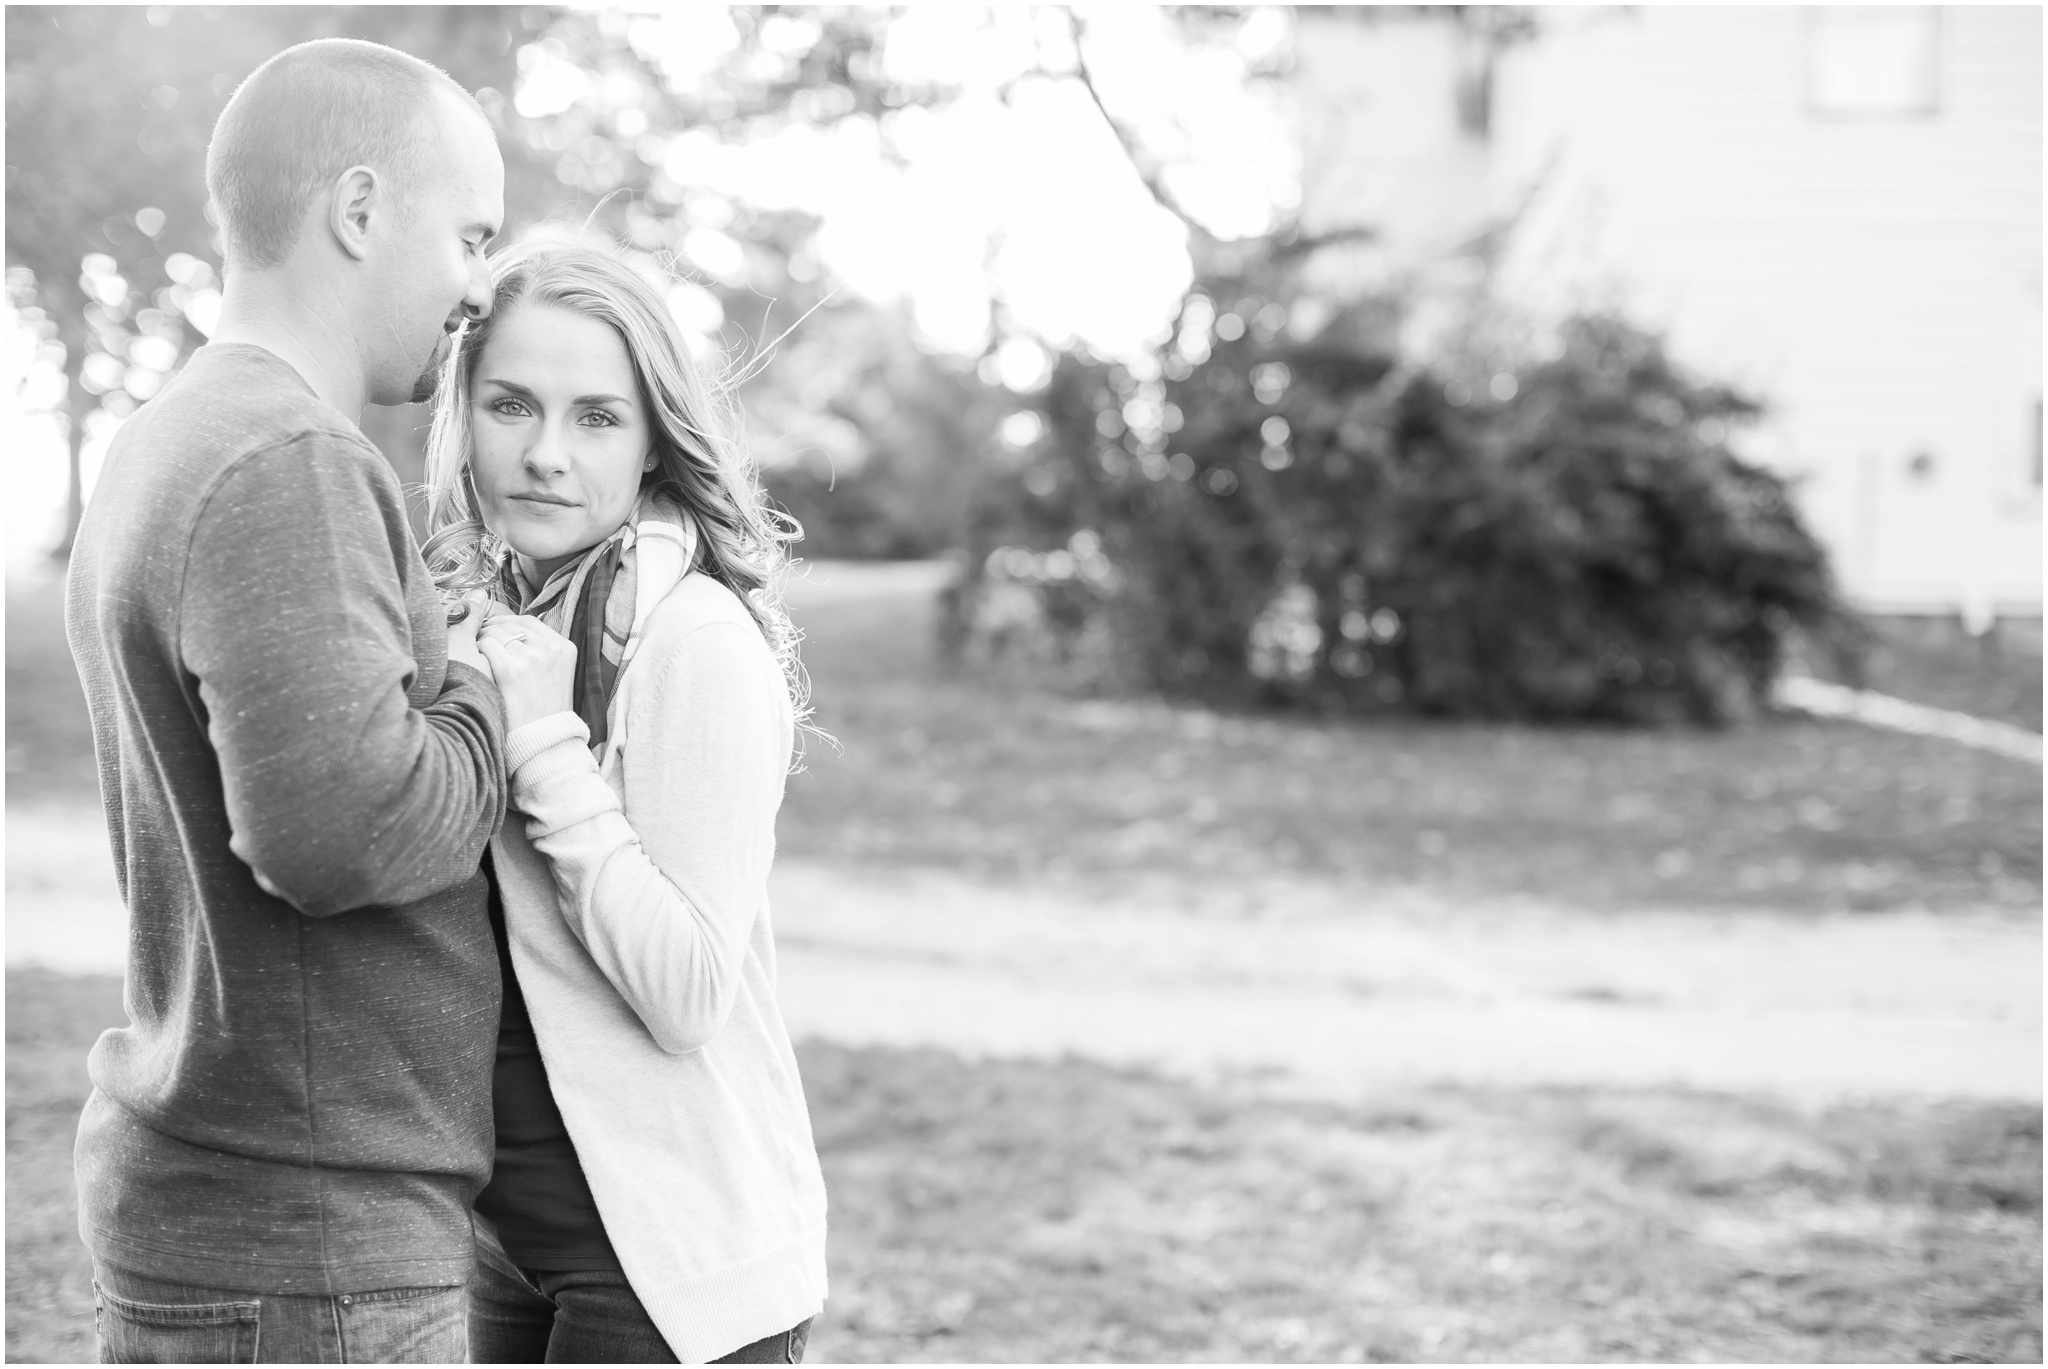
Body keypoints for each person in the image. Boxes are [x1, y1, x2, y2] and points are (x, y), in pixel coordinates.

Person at [65, 39, 511, 1363]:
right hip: (311, 1254)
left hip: (258, 1223)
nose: (477, 288)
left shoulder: (181, 431)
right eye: (471, 236)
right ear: (362, 210)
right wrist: (487, 688)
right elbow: (342, 831)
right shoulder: (286, 455)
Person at [418, 239, 828, 1363]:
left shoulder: (691, 640)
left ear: (653, 440)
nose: (544, 454)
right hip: (509, 1240)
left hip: (668, 1269)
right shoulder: (495, 617)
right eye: (512, 404)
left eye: (596, 417)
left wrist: (548, 747)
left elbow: (688, 991)